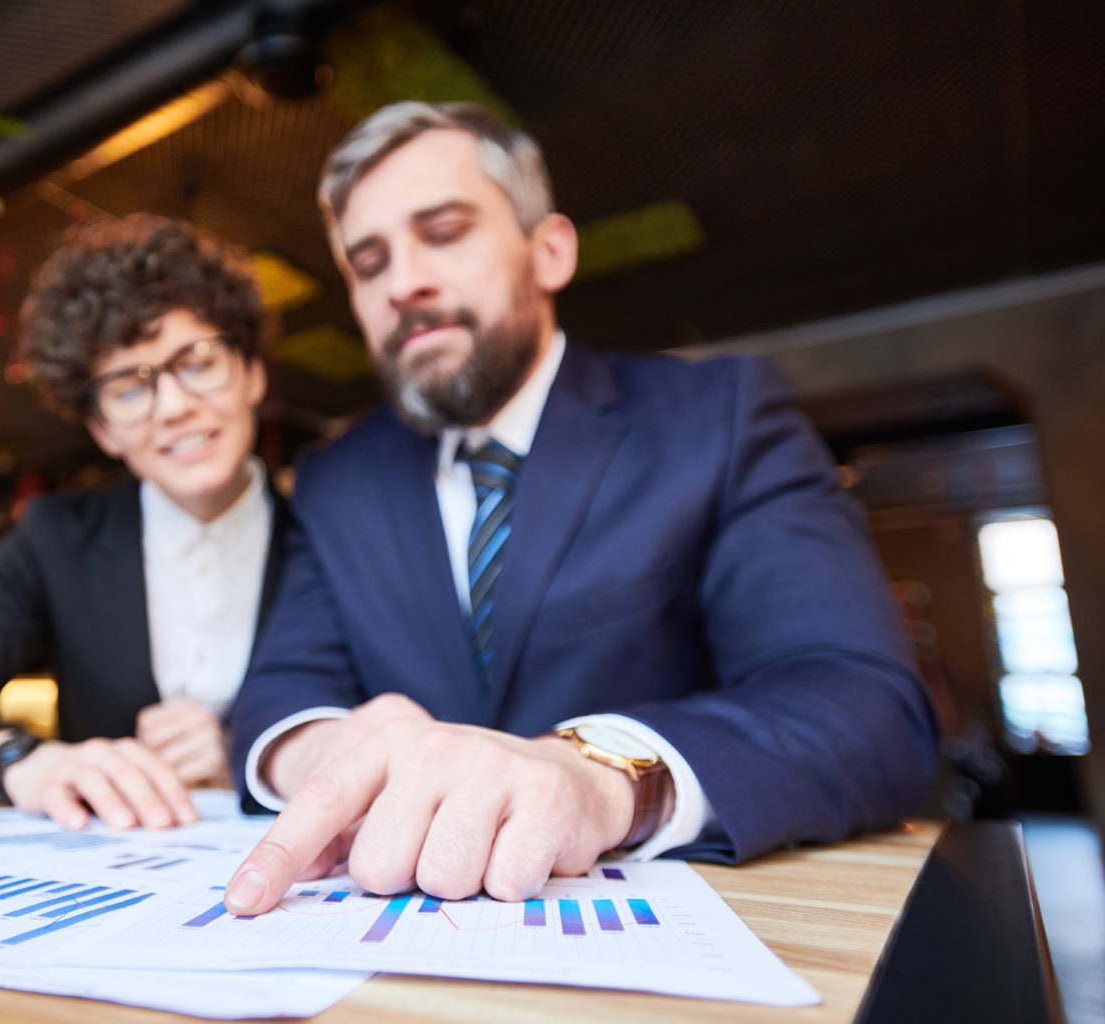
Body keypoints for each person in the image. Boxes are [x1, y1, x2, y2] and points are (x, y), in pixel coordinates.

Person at [221, 102, 938, 915]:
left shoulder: (720, 415)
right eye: (368, 261)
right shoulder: (333, 476)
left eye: (445, 231)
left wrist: (599, 774)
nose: (404, 282)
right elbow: (280, 692)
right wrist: (333, 750)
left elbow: (865, 704)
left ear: (550, 250)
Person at [0, 214, 280, 832]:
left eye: (197, 361)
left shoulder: (332, 529)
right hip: (113, 873)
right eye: (128, 389)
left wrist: (255, 755)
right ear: (102, 429)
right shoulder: (57, 538)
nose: (174, 407)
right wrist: (23, 763)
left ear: (253, 373)